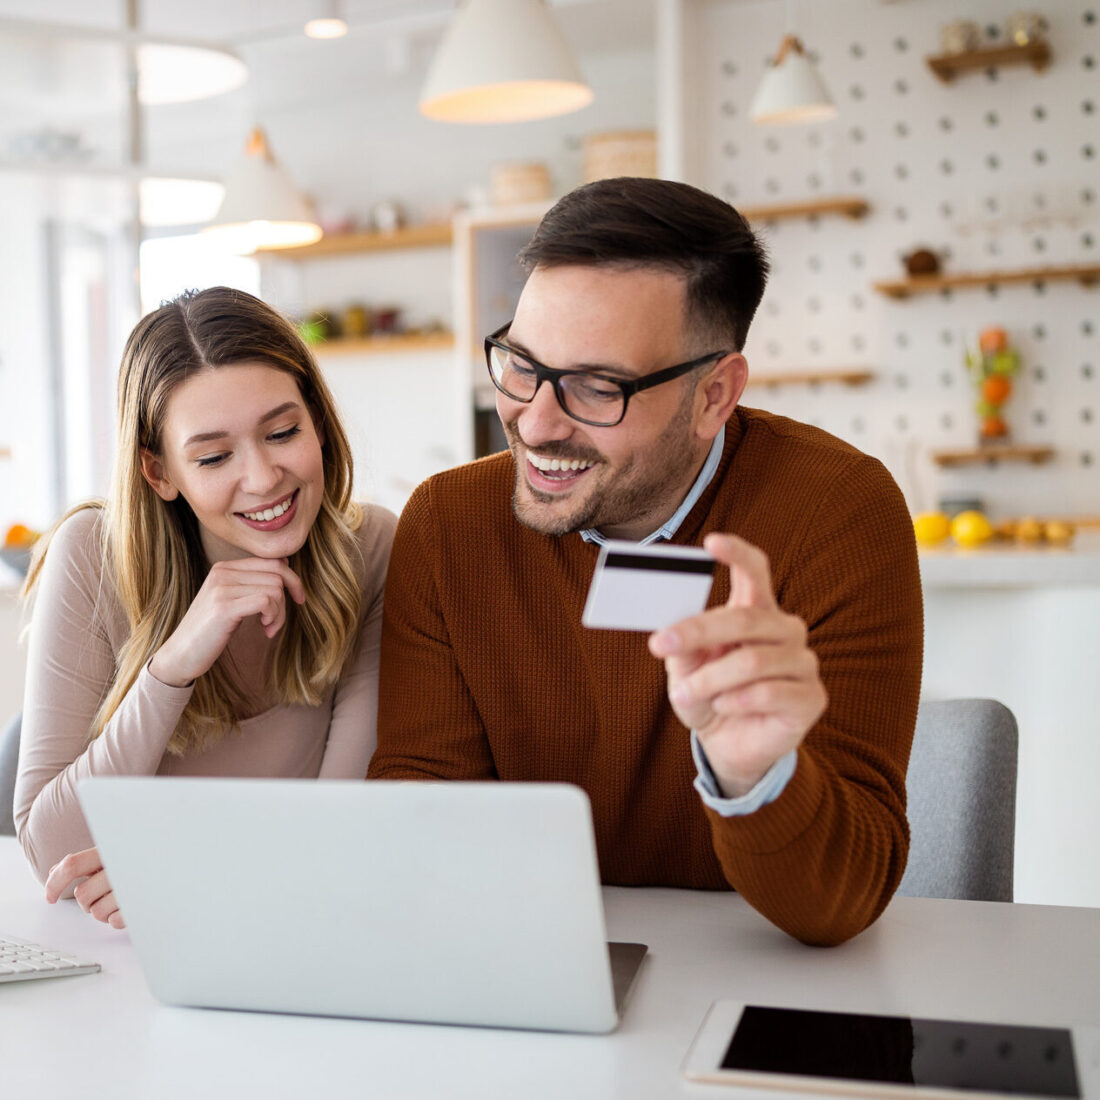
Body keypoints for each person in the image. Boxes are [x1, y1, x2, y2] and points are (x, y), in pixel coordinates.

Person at [369, 178, 923, 947]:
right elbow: (421, 814)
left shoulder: (837, 513)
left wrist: (755, 775)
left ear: (714, 395)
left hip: (750, 984)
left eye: (598, 388)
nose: (534, 422)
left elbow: (842, 904)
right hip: (528, 961)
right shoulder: (448, 524)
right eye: (521, 364)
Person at [15, 286, 395, 927]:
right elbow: (52, 857)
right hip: (126, 967)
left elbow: (342, 829)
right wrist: (171, 667)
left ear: (319, 427)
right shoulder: (89, 555)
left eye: (282, 432)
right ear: (159, 473)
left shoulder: (372, 548)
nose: (264, 476)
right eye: (215, 456)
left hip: (303, 932)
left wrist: (180, 871)